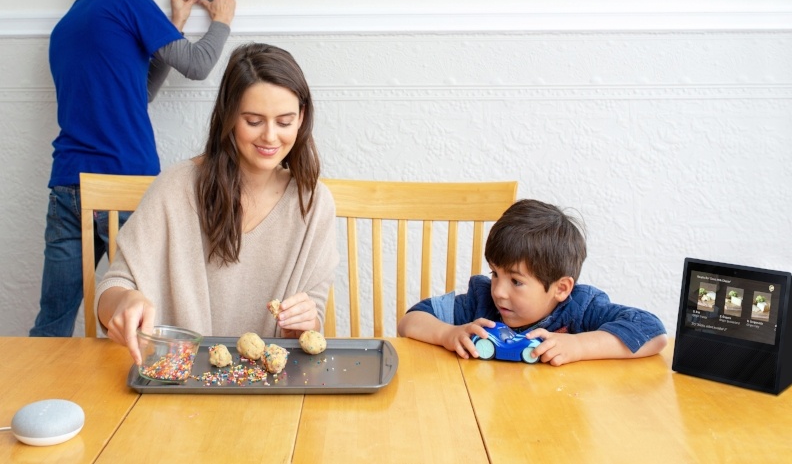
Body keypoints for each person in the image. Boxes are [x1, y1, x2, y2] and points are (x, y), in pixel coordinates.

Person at [31, 0, 236, 337]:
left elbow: (139, 93)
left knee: (53, 322)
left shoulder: (65, 28)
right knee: (145, 317)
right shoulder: (129, 2)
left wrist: (172, 24)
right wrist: (222, 22)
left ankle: (41, 398)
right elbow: (197, 64)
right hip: (123, 184)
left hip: (68, 186)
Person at [96, 43, 338, 364]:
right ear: (228, 116)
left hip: (271, 387)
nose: (270, 136)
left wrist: (304, 322)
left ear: (301, 118)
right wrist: (124, 302)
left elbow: (314, 318)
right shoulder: (176, 187)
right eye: (253, 121)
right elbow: (113, 288)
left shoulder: (313, 202)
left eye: (284, 121)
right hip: (179, 378)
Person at [397, 199, 667, 366]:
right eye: (495, 274)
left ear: (561, 288)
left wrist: (579, 346)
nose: (499, 292)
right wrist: (447, 334)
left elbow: (654, 334)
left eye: (515, 281)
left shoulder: (582, 309)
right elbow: (410, 320)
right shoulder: (481, 305)